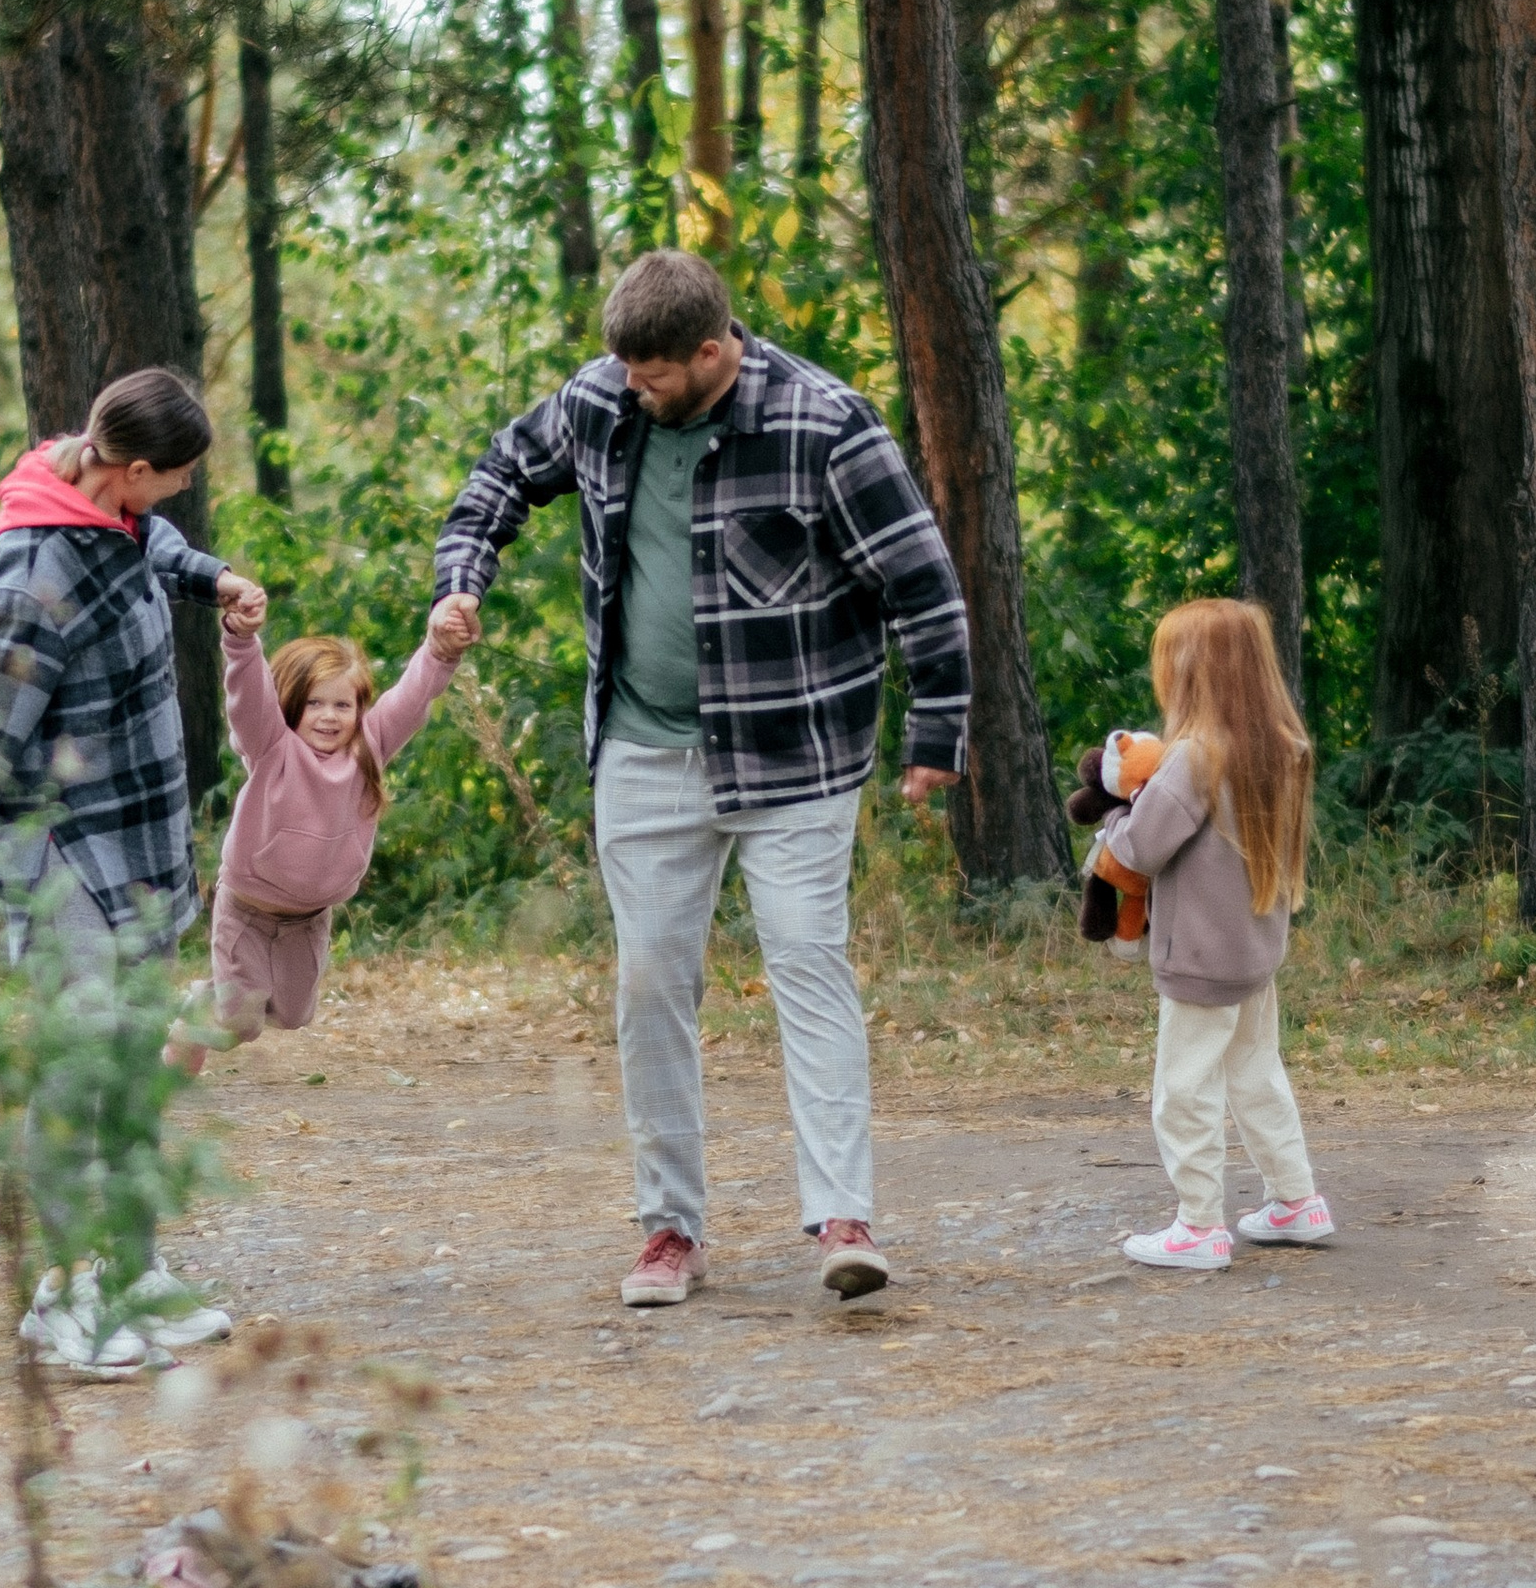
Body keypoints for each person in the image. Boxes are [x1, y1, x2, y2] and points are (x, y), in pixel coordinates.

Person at [433, 247, 968, 1308]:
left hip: (795, 753)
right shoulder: (602, 399)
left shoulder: (824, 423)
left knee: (807, 965)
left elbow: (923, 582)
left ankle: (842, 1220)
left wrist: (935, 735)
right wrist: (464, 578)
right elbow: (497, 476)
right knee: (648, 986)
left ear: (716, 349)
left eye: (656, 373)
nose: (634, 388)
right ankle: (670, 1231)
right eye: (624, 369)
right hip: (640, 748)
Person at [0, 367, 268, 1371]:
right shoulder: (34, 575)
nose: (177, 499)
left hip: (139, 847)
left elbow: (150, 544)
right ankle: (64, 1296)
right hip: (67, 856)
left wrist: (215, 578)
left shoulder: (105, 511)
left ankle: (128, 1263)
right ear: (137, 468)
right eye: (178, 480)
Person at [1096, 596, 1333, 1273]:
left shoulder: (1195, 759)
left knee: (1185, 1088)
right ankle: (1296, 1199)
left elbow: (1140, 849)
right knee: (1256, 1072)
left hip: (1200, 960)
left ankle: (1199, 1224)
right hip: (1255, 956)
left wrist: (1112, 821)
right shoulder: (1284, 749)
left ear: (1191, 673)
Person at [178, 595, 479, 1052]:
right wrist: (241, 640)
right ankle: (196, 1012)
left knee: (295, 1015)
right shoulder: (272, 747)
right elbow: (248, 698)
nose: (328, 716)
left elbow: (412, 696)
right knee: (240, 1024)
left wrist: (441, 652)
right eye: (314, 703)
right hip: (248, 909)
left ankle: (217, 1006)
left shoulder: (368, 748)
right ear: (291, 703)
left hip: (310, 918)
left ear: (358, 710)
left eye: (342, 705)